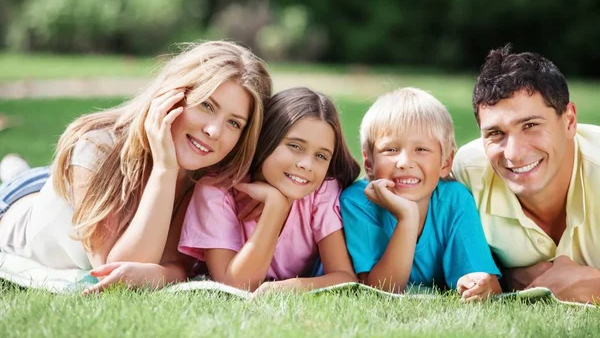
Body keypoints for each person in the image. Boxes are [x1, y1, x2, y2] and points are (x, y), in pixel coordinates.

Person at [0, 41, 272, 293]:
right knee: (18, 178)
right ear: (173, 95)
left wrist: (160, 274)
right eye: (206, 105)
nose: (214, 131)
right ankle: (13, 170)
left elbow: (176, 266)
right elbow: (113, 266)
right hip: (19, 208)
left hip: (62, 189)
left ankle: (14, 167)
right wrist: (164, 169)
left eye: (234, 123)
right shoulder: (97, 147)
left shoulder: (203, 180)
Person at [453, 45, 600, 303]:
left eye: (530, 125)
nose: (514, 153)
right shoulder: (468, 173)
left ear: (569, 121)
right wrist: (506, 277)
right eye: (495, 133)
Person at [178, 87, 360, 295]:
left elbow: (344, 277)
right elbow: (236, 287)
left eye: (321, 156)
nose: (307, 164)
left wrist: (286, 288)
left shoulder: (321, 191)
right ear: (265, 139)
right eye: (295, 146)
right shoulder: (217, 189)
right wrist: (275, 206)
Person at [341, 88, 501, 301]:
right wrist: (407, 217)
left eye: (421, 150)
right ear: (369, 164)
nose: (405, 162)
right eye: (390, 150)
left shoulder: (454, 200)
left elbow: (488, 284)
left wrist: (477, 284)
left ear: (446, 162)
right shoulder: (357, 202)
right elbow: (381, 291)